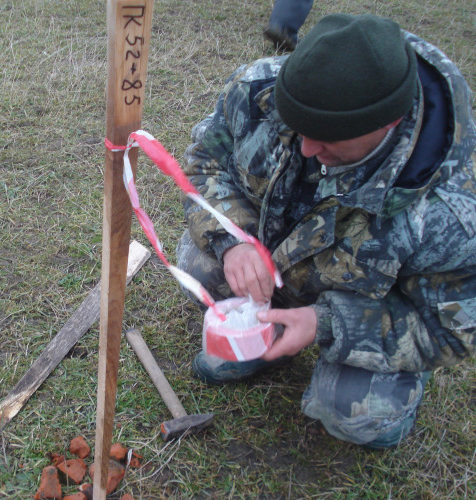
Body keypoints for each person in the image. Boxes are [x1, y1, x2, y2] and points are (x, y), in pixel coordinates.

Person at [176, 13, 476, 449]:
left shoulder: (452, 211)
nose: (307, 148)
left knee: (355, 412)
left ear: (388, 124)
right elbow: (205, 164)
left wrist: (327, 323)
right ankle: (270, 336)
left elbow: (449, 328)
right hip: (279, 272)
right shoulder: (259, 89)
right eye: (299, 129)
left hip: (361, 311)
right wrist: (233, 242)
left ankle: (376, 384)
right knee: (199, 265)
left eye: (330, 138)